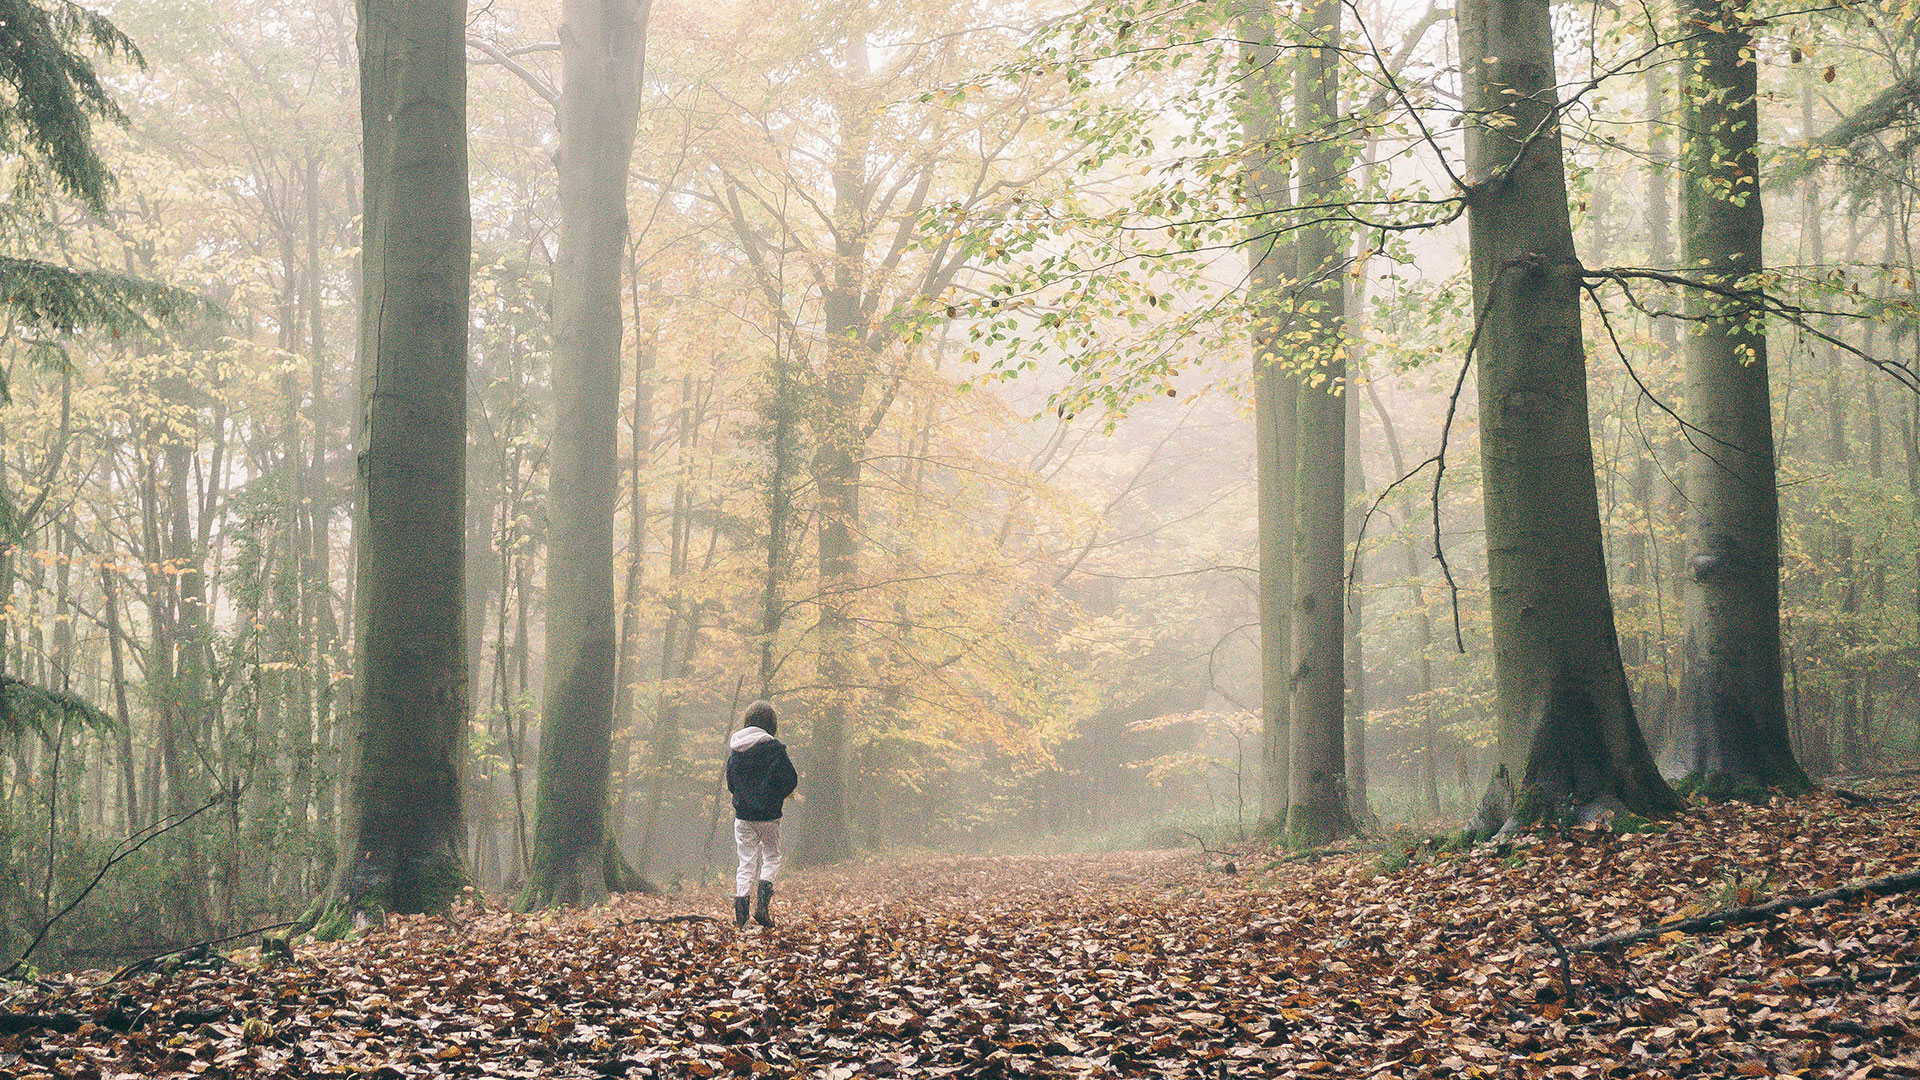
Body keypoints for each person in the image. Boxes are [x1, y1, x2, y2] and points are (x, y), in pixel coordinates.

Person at [726, 700, 798, 928]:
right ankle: (762, 908)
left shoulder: (736, 751)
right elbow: (790, 780)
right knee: (772, 857)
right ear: (771, 724)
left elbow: (731, 783)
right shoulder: (776, 751)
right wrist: (776, 795)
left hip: (743, 816)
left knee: (745, 862)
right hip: (769, 816)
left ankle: (741, 917)